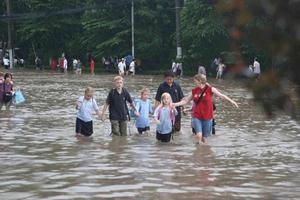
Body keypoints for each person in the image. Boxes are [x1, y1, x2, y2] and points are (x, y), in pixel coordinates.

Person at [173, 74, 238, 144]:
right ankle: (198, 150)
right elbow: (185, 101)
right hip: (197, 116)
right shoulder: (194, 91)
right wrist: (174, 104)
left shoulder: (210, 89)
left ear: (200, 81)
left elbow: (221, 96)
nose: (194, 83)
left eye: (195, 81)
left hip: (208, 116)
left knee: (205, 138)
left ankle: (202, 152)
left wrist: (232, 101)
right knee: (199, 135)